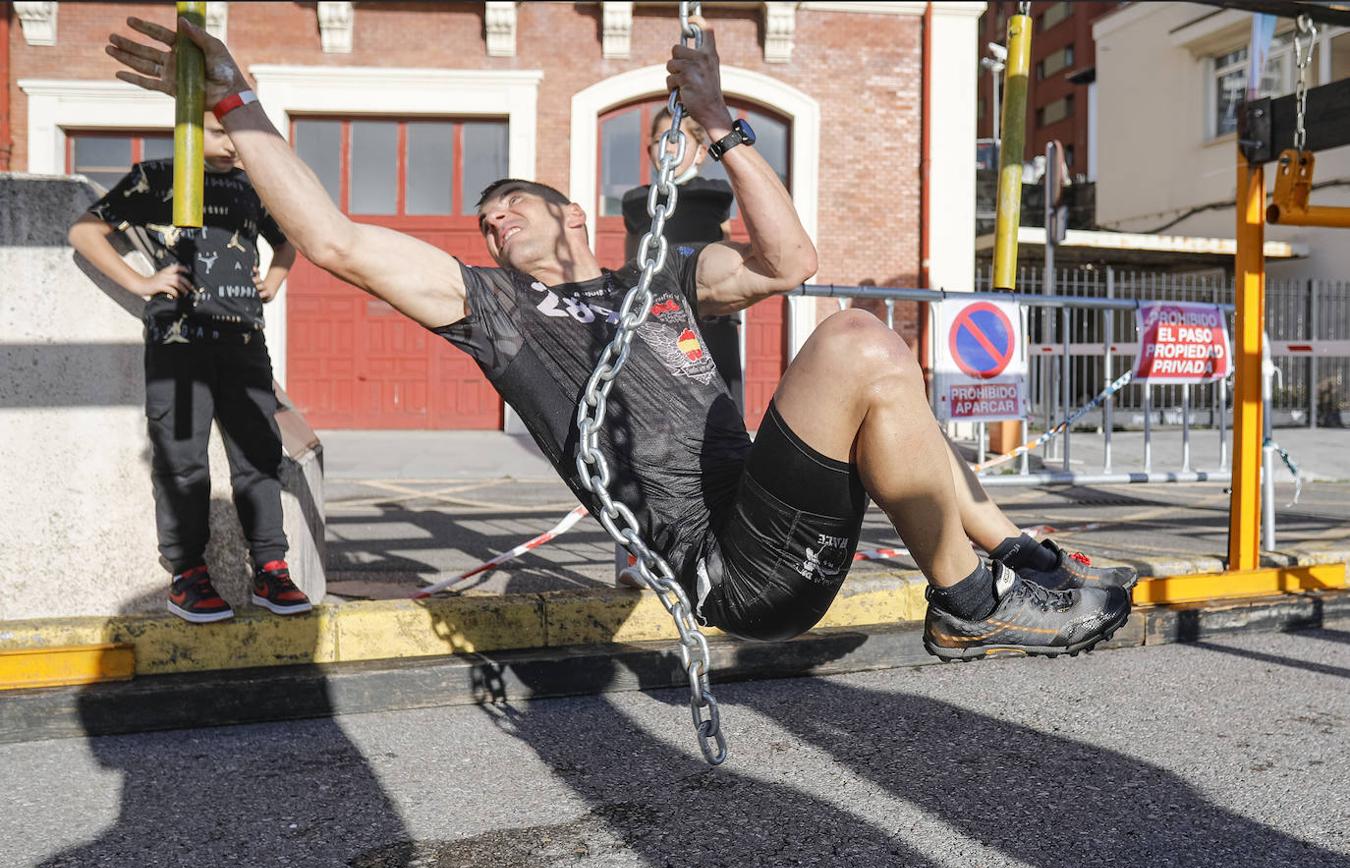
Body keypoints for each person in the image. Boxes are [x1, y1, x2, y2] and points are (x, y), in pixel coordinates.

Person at [106, 15, 1135, 659]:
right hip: (722, 570)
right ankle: (968, 601)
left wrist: (722, 126)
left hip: (785, 531)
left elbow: (786, 260)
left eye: (514, 206)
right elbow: (330, 237)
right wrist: (240, 102)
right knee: (860, 341)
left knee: (880, 369)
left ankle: (1017, 557)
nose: (493, 221)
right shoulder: (491, 309)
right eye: (486, 219)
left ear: (577, 223)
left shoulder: (667, 282)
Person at [68, 111, 312, 624]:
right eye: (220, 131)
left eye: (239, 132)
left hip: (244, 341)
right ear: (189, 127)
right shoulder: (154, 177)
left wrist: (275, 277)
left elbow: (289, 238)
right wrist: (140, 283)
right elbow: (85, 233)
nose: (233, 143)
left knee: (260, 455)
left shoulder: (253, 187)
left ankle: (271, 568)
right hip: (178, 345)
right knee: (182, 459)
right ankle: (187, 576)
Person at [621, 109, 741, 413]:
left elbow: (727, 243)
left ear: (701, 152)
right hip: (658, 316)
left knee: (720, 400)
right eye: (660, 140)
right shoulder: (637, 200)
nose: (667, 148)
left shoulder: (715, 194)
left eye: (676, 139)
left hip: (709, 315)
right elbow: (632, 258)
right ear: (649, 150)